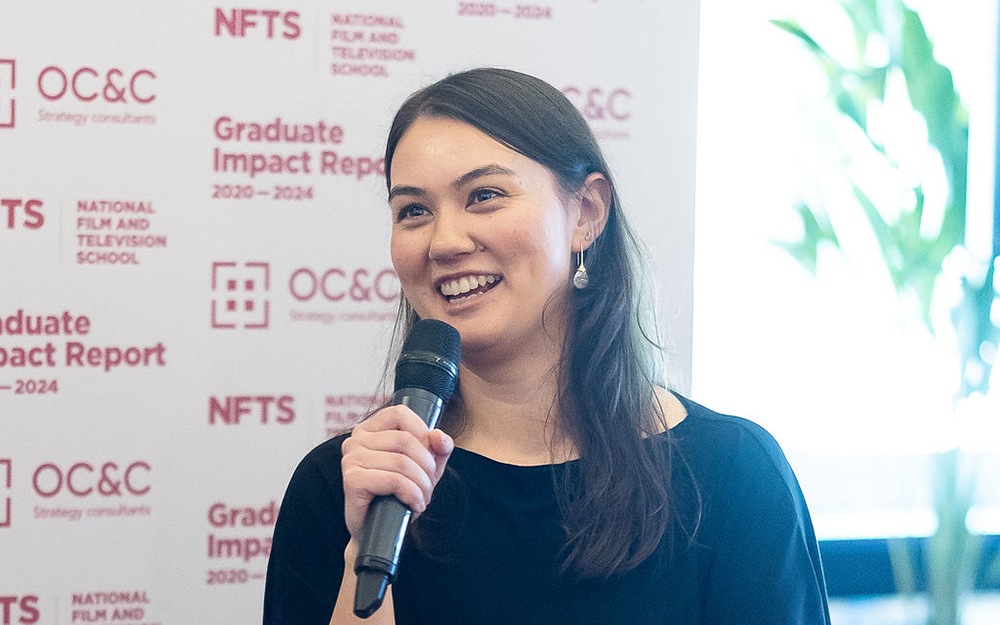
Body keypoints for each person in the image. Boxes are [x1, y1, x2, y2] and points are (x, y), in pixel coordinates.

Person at [263, 67, 831, 624]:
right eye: (413, 211)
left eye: (483, 196)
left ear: (585, 214)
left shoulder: (732, 474)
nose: (445, 241)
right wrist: (363, 556)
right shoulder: (347, 487)